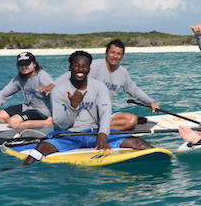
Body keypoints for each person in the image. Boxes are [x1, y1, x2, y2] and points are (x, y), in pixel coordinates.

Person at [19, 51, 151, 163]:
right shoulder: (59, 90)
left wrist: (103, 134)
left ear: (89, 69)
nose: (80, 69)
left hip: (94, 133)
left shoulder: (99, 87)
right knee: (40, 149)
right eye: (76, 66)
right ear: (70, 67)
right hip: (68, 135)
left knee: (138, 143)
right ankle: (21, 171)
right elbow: (61, 124)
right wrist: (73, 106)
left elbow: (105, 113)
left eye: (84, 66)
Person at [89, 39, 161, 131]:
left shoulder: (122, 72)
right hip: (86, 112)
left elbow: (133, 90)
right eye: (112, 52)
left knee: (132, 120)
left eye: (119, 54)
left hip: (105, 113)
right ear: (106, 53)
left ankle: (96, 128)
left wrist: (150, 102)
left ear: (122, 56)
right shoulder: (93, 66)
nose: (115, 56)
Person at [0, 52, 53, 128]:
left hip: (44, 111)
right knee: (0, 117)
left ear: (34, 64)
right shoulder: (20, 78)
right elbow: (2, 95)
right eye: (21, 65)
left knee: (13, 122)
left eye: (27, 64)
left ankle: (47, 122)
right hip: (30, 107)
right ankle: (24, 125)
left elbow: (56, 89)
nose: (24, 67)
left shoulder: (42, 76)